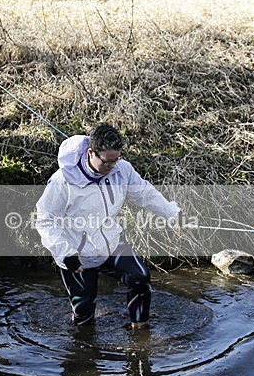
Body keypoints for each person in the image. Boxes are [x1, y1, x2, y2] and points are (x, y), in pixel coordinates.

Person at [35, 123, 183, 328]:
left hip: (111, 242)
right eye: (107, 162)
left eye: (116, 160)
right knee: (84, 316)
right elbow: (45, 219)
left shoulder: (122, 169)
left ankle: (140, 331)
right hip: (77, 254)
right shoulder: (62, 181)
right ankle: (84, 353)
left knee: (140, 278)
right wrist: (64, 253)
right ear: (91, 153)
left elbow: (144, 194)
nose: (113, 167)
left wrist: (171, 213)